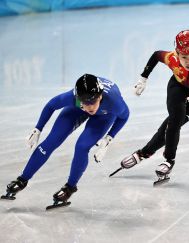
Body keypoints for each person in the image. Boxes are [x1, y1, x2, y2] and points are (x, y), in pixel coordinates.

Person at [118, 30, 189, 184]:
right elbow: (155, 55)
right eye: (184, 57)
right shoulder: (171, 58)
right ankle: (169, 161)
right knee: (175, 120)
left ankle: (142, 154)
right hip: (177, 88)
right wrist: (143, 78)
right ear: (177, 53)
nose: (188, 61)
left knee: (172, 124)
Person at [1, 74, 129, 207]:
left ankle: (70, 188)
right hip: (76, 109)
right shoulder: (74, 98)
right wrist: (37, 129)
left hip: (104, 115)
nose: (89, 107)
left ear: (100, 96)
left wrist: (109, 137)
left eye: (93, 102)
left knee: (81, 147)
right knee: (51, 141)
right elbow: (51, 105)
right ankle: (22, 180)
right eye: (85, 103)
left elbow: (125, 116)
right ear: (79, 98)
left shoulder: (114, 102)